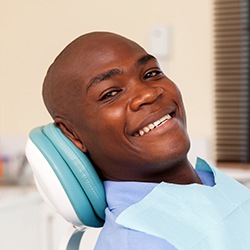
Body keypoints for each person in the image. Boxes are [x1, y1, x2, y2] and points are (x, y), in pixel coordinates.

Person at [42, 31, 250, 250]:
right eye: (110, 94)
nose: (148, 94)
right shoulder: (139, 242)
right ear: (72, 134)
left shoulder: (212, 182)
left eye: (151, 73)